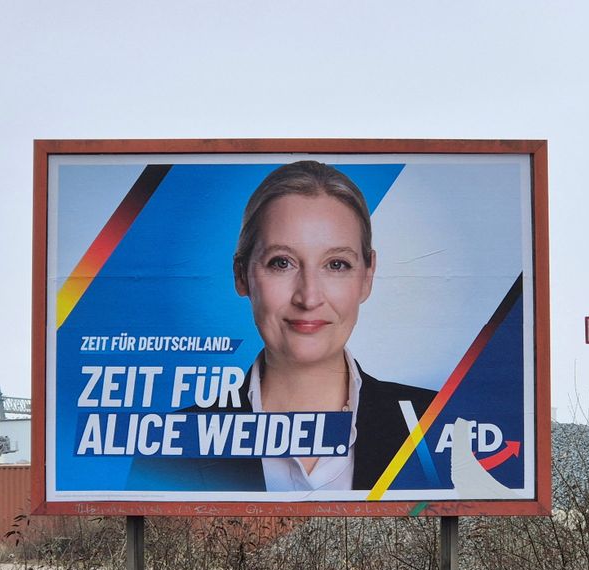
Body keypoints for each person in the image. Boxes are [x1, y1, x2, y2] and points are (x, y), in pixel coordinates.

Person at [128, 161, 436, 493]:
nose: (309, 296)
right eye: (281, 262)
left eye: (336, 264)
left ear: (367, 275)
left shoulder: (436, 423)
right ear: (242, 275)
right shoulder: (168, 448)